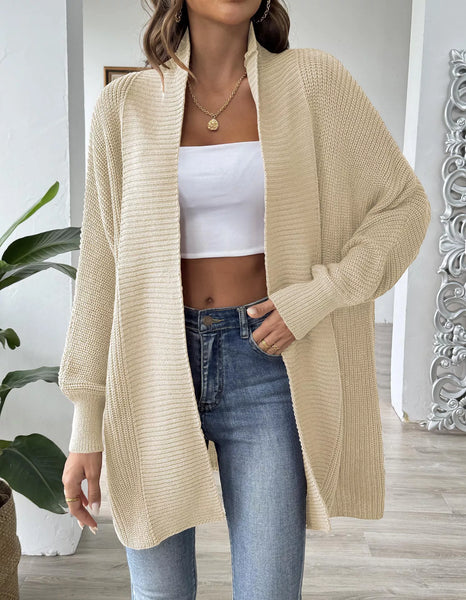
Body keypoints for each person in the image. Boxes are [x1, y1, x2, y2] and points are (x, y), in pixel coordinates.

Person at [59, 1, 431, 598]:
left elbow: (404, 207)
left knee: (268, 590)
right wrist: (86, 424)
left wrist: (317, 295)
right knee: (159, 592)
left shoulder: (314, 82)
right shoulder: (123, 105)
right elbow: (103, 265)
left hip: (266, 365)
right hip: (150, 369)